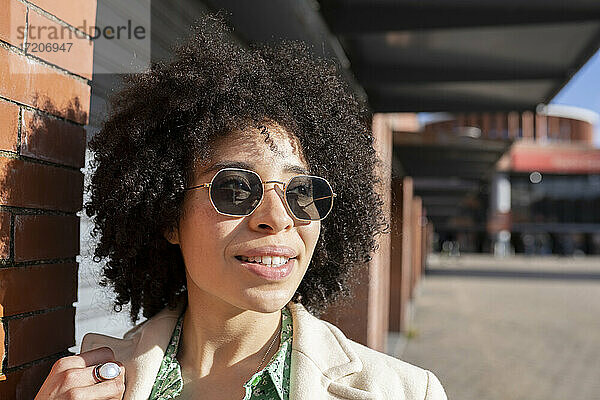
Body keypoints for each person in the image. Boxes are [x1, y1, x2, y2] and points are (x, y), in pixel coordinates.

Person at [35, 16, 447, 400]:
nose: (279, 217)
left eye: (302, 191)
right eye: (235, 187)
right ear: (167, 215)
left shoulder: (408, 391)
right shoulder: (86, 387)